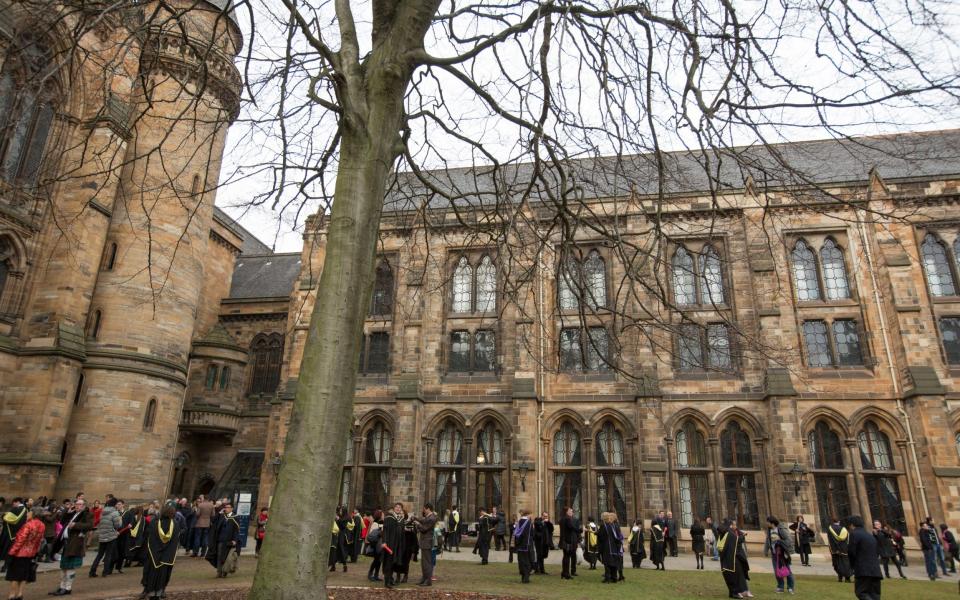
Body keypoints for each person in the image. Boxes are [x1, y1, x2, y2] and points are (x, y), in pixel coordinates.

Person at [50, 497, 94, 597]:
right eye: (76, 504)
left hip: (75, 544)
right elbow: (61, 522)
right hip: (66, 543)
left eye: (79, 504)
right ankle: (61, 587)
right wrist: (68, 512)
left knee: (70, 567)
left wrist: (75, 524)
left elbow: (90, 525)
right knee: (63, 566)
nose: (77, 506)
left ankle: (68, 588)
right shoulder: (73, 513)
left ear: (84, 506)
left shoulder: (87, 514)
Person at [4, 508, 48, 600]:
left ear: (34, 514)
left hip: (19, 554)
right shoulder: (42, 525)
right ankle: (20, 594)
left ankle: (12, 595)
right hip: (30, 553)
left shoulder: (28, 525)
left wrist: (11, 553)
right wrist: (35, 552)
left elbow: (20, 541)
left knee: (14, 575)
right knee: (23, 575)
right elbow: (39, 541)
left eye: (29, 512)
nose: (27, 514)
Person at [141, 504, 181, 600]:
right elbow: (176, 540)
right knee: (163, 574)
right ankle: (160, 592)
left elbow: (148, 537)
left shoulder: (154, 523)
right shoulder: (175, 524)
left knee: (151, 572)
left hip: (154, 553)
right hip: (167, 555)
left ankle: (149, 591)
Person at [848, 515, 882, 600]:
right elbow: (877, 552)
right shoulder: (870, 536)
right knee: (875, 595)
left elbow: (851, 552)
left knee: (861, 592)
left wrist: (852, 567)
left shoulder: (854, 534)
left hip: (863, 570)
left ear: (852, 525)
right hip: (875, 570)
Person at [89, 497, 121, 578]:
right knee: (108, 555)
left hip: (102, 535)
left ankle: (92, 571)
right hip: (111, 536)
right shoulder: (115, 513)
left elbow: (100, 522)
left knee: (99, 555)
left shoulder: (102, 511)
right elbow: (118, 525)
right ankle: (105, 572)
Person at [206, 502, 241, 578]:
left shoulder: (235, 517)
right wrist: (219, 513)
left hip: (229, 541)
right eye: (225, 507)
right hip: (220, 540)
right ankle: (219, 572)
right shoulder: (221, 516)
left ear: (232, 508)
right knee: (219, 556)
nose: (226, 509)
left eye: (228, 507)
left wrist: (235, 540)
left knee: (226, 557)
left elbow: (236, 530)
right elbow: (213, 521)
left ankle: (225, 572)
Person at [718, 519, 751, 599]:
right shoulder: (729, 534)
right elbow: (737, 540)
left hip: (726, 560)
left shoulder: (724, 533)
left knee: (731, 576)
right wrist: (743, 536)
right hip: (730, 560)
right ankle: (734, 593)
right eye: (733, 525)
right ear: (730, 525)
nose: (735, 527)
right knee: (732, 576)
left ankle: (734, 592)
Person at [764, 516, 795, 594]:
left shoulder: (781, 529)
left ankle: (790, 587)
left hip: (783, 554)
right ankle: (780, 587)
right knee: (777, 571)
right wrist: (766, 550)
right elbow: (767, 540)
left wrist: (779, 540)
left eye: (767, 522)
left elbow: (789, 540)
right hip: (774, 553)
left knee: (787, 571)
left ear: (772, 522)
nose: (766, 523)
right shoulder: (769, 530)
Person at [0, 498, 27, 574]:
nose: (13, 505)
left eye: (14, 503)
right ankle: (7, 566)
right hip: (18, 534)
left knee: (8, 550)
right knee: (12, 551)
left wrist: (4, 515)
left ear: (17, 502)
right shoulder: (25, 510)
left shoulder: (17, 509)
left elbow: (5, 517)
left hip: (10, 534)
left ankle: (5, 567)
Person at [413, 503, 437, 587]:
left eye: (424, 509)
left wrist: (417, 524)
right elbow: (423, 521)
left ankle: (428, 581)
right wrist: (416, 518)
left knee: (427, 562)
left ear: (428, 509)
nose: (423, 511)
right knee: (424, 562)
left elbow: (424, 529)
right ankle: (424, 578)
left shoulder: (432, 518)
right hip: (424, 542)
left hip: (427, 542)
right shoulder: (429, 517)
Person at [597, 512, 624, 583]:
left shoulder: (605, 526)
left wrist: (596, 533)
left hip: (607, 546)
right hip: (614, 546)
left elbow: (601, 536)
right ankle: (614, 577)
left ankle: (608, 578)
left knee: (607, 563)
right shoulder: (613, 525)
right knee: (613, 562)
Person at [828, 517, 852, 583]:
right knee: (845, 563)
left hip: (834, 550)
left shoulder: (830, 528)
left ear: (833, 521)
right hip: (844, 549)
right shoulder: (844, 529)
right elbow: (847, 540)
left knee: (837, 563)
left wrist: (834, 548)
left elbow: (830, 540)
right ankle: (847, 579)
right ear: (839, 522)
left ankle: (840, 578)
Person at [514, 510, 535, 584]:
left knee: (521, 562)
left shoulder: (519, 522)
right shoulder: (529, 523)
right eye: (531, 514)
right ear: (528, 514)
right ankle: (526, 578)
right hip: (527, 545)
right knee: (527, 562)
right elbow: (532, 534)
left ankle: (523, 576)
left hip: (520, 546)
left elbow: (516, 534)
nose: (532, 516)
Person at [558, 507, 577, 580]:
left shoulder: (562, 519)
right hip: (567, 540)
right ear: (567, 512)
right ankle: (566, 574)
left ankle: (564, 573)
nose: (572, 512)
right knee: (567, 557)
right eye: (570, 511)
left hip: (563, 539)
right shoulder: (567, 519)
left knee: (565, 556)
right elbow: (572, 528)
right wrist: (580, 530)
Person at [365, 510, 383, 582]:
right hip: (375, 545)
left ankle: (376, 575)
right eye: (382, 515)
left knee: (379, 561)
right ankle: (370, 574)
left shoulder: (381, 523)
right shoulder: (375, 523)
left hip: (379, 544)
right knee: (376, 560)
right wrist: (380, 532)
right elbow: (372, 535)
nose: (383, 516)